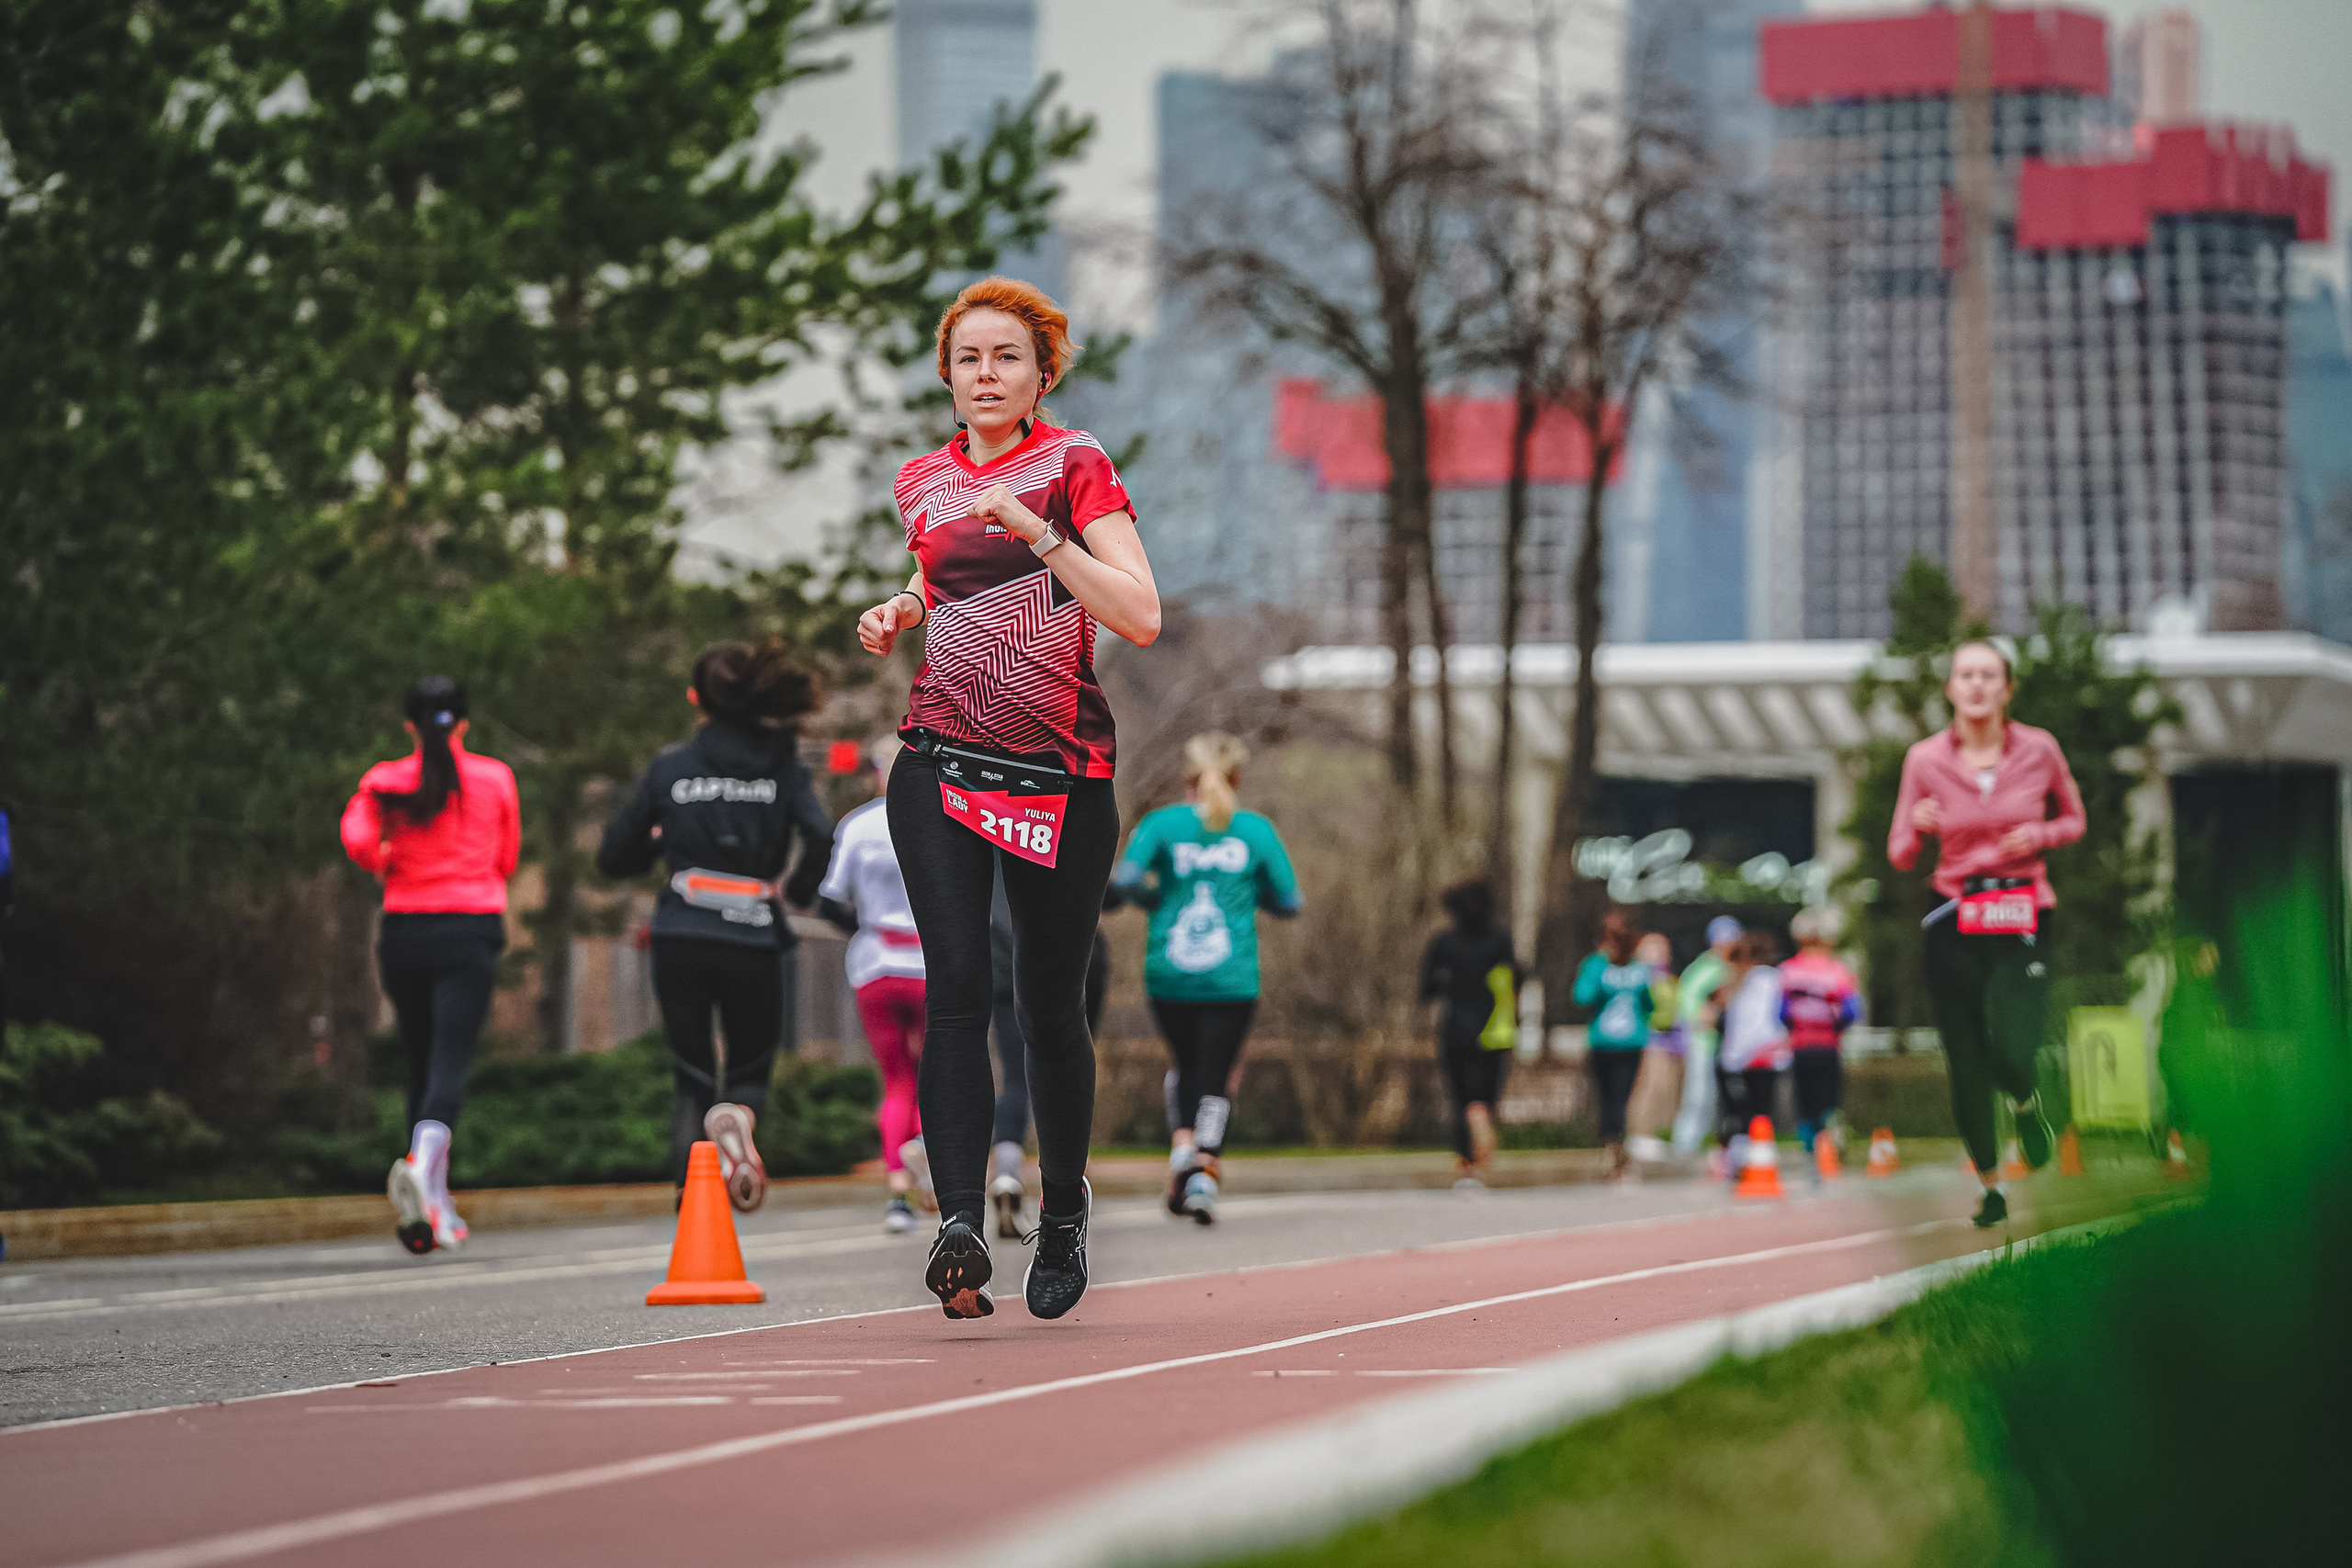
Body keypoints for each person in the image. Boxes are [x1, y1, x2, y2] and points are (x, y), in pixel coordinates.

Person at [856, 276, 1160, 1320]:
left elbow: (1140, 615)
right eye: (969, 359)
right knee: (954, 992)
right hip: (938, 760)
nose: (986, 375)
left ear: (1042, 375)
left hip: (1058, 771)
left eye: (1007, 359)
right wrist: (899, 607)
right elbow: (949, 587)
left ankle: (1064, 1214)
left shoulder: (1075, 465)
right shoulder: (919, 480)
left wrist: (1040, 531)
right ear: (946, 375)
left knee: (1046, 1006)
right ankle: (956, 1223)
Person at [596, 640, 834, 1213]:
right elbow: (823, 837)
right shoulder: (783, 762)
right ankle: (738, 1118)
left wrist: (658, 845)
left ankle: (692, 1199)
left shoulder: (671, 766)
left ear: (695, 699)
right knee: (750, 1066)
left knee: (691, 1069)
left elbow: (613, 857)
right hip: (754, 930)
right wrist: (798, 892)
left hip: (682, 931)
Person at [1889, 638, 2085, 1228]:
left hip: (2022, 912)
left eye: (1988, 675)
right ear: (1950, 688)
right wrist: (1918, 829)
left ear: (2008, 688)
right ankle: (1992, 1185)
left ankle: (2026, 1105)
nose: (1976, 685)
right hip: (1953, 915)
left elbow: (2073, 820)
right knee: (1966, 1059)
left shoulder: (2040, 750)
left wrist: (2042, 837)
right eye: (1965, 675)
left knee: (2011, 1045)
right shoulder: (1924, 759)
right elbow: (1899, 853)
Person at [340, 677, 520, 1255]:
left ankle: (435, 1207)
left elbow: (356, 837)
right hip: (469, 927)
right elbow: (508, 857)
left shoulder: (385, 779)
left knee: (421, 1062)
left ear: (409, 726)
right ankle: (421, 1169)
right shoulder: (494, 778)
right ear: (463, 724)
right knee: (450, 1062)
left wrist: (387, 861)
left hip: (406, 931)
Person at [1113, 733, 1301, 1225]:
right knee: (1217, 1073)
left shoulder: (1161, 825)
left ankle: (1183, 1148)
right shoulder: (1256, 832)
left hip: (1168, 971)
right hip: (1231, 975)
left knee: (1185, 1063)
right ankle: (1203, 1170)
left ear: (1186, 778)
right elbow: (1291, 900)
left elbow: (1126, 880)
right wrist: (1249, 892)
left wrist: (1158, 901)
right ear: (1237, 778)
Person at [816, 739, 932, 1235]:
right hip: (929, 964)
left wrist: (867, 928)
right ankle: (937, 1172)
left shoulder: (858, 825)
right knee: (936, 1078)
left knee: (897, 1081)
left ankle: (897, 1193)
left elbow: (828, 901)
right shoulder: (943, 818)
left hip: (875, 967)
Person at [983, 868, 1115, 1239]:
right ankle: (1060, 1197)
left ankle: (1007, 1172)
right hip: (1070, 952)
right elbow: (1108, 889)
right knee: (1066, 1068)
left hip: (1002, 954)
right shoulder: (1057, 816)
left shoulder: (983, 828)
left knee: (1015, 1075)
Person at [1419, 876, 1520, 1189]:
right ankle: (1482, 1113)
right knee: (1486, 1095)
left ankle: (1466, 1166)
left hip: (1456, 1028)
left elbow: (1427, 990)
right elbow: (1514, 979)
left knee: (1460, 1097)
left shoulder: (1444, 943)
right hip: (1494, 1030)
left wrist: (1448, 982)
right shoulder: (1501, 941)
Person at [1572, 910, 1656, 1181]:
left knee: (1611, 1099)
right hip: (1621, 1042)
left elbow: (1582, 996)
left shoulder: (1598, 965)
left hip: (1612, 1042)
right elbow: (1649, 1004)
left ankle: (1613, 1149)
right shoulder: (1638, 968)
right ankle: (1615, 1149)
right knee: (1617, 1098)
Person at [1780, 906, 1861, 1171]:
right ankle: (1831, 1147)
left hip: (1800, 1046)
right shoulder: (1838, 972)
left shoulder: (1788, 971)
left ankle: (1810, 1150)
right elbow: (1851, 1011)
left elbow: (1780, 1013)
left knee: (1804, 1101)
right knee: (1829, 1099)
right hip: (1829, 1046)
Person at [1712, 931, 1789, 1173]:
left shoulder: (1736, 981)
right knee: (1760, 1111)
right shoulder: (1772, 978)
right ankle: (1757, 1157)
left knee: (1738, 1112)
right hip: (1763, 1054)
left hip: (1738, 1057)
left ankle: (1739, 1157)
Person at [1672, 916, 1742, 1159]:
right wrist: (1707, 1016)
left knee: (1726, 1100)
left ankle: (1721, 1148)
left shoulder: (1738, 968)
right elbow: (1689, 1009)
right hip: (1704, 1044)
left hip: (1733, 1047)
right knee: (1698, 1095)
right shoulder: (1700, 970)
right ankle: (1685, 1145)